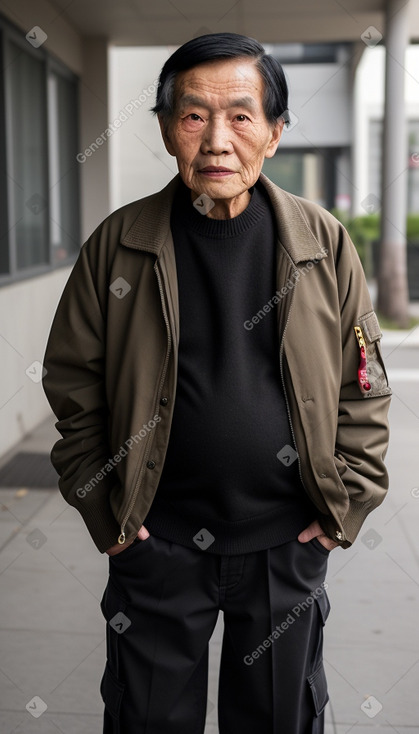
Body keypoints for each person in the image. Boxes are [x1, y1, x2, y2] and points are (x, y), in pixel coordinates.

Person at [42, 32, 392, 734]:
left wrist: (340, 512)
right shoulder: (119, 244)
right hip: (155, 541)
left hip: (284, 546)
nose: (216, 140)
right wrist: (108, 516)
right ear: (169, 128)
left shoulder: (321, 244)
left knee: (278, 720)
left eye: (240, 115)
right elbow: (73, 384)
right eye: (194, 114)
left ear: (274, 131)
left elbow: (364, 384)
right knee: (144, 719)